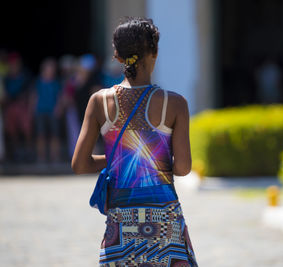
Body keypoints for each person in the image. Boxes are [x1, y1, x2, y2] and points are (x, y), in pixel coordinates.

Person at [72, 17, 197, 266]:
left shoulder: (99, 101)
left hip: (121, 221)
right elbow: (182, 168)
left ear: (117, 56)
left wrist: (122, 158)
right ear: (155, 52)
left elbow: (80, 165)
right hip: (165, 221)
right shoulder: (175, 104)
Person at [34, 58, 62, 163]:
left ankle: (55, 157)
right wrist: (32, 110)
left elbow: (59, 97)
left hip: (52, 112)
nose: (51, 71)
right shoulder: (38, 82)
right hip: (40, 111)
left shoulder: (56, 83)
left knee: (55, 135)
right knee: (40, 135)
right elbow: (34, 97)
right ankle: (41, 157)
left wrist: (58, 108)